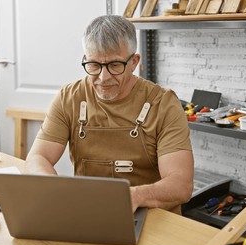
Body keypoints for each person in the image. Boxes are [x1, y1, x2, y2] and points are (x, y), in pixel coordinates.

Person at [25, 14, 194, 214]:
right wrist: (53, 188)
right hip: (90, 212)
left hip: (151, 216)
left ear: (134, 62)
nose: (103, 78)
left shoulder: (164, 104)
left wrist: (134, 196)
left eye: (115, 65)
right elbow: (37, 157)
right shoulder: (69, 98)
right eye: (94, 65)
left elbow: (181, 185)